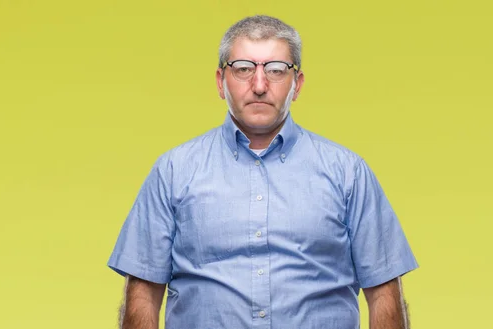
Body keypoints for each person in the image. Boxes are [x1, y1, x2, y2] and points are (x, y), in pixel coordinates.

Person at [107, 15, 418, 329]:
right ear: (220, 81)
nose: (259, 85)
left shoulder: (348, 173)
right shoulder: (173, 171)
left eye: (276, 70)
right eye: (243, 68)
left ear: (297, 84)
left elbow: (383, 292)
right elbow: (143, 292)